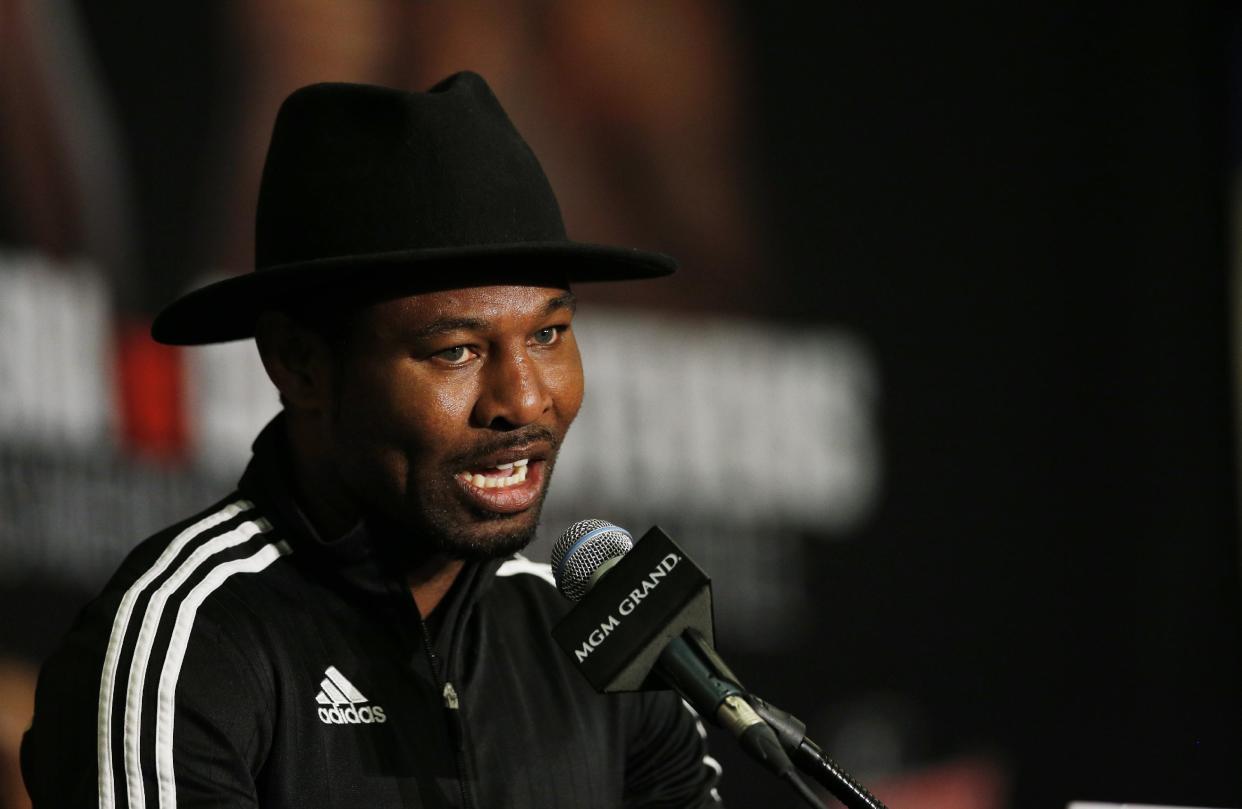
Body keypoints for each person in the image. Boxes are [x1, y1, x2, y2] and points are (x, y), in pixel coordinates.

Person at [21, 72, 722, 808]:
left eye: (548, 333)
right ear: (300, 363)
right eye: (456, 350)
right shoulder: (187, 645)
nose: (523, 399)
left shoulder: (599, 641)